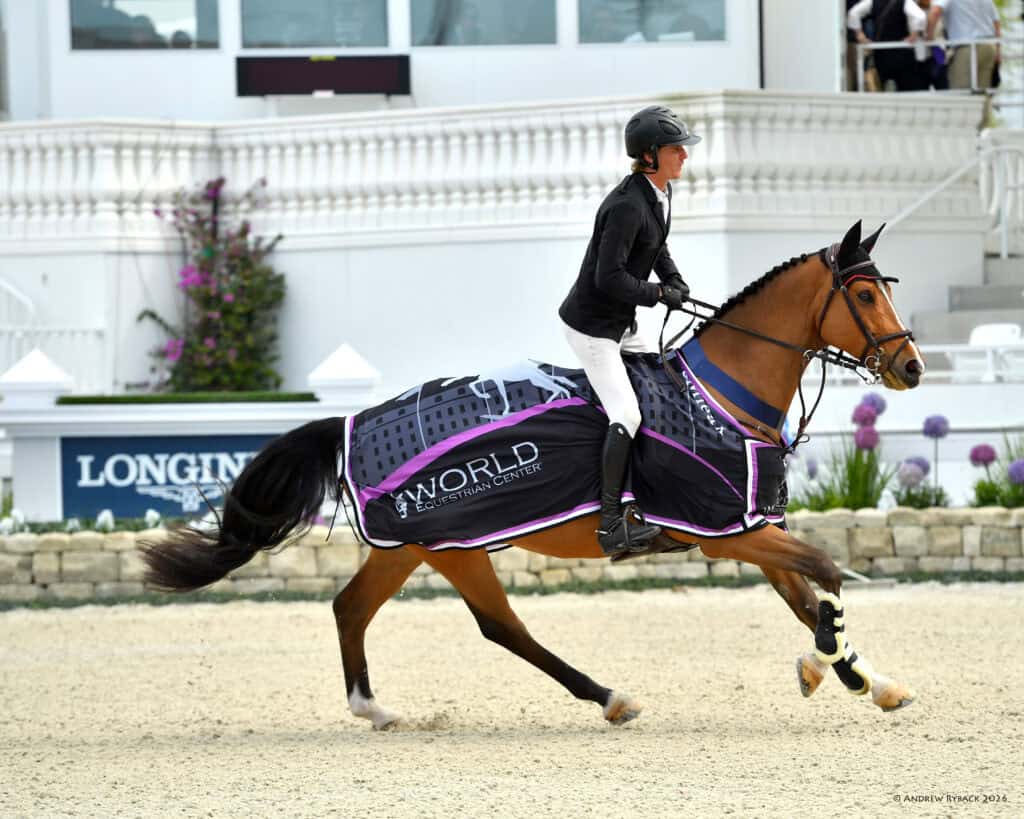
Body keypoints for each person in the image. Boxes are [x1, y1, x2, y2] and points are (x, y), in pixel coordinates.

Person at [558, 105, 700, 556]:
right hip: (594, 329)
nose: (684, 155)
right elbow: (608, 278)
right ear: (649, 155)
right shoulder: (624, 205)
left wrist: (674, 278)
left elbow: (656, 243)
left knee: (661, 392)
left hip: (623, 323)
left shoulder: (658, 193)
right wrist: (660, 295)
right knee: (629, 414)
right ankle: (608, 525)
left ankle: (648, 498)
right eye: (676, 148)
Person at [848, 0, 930, 91]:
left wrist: (859, 35)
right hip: (902, 53)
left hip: (881, 54)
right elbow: (920, 17)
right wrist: (914, 35)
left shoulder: (873, 2)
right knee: (906, 90)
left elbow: (853, 13)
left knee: (882, 89)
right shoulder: (904, 2)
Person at [926, 0, 1000, 91]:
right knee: (982, 93)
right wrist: (998, 51)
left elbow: (935, 12)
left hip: (966, 48)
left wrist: (929, 38)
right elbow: (996, 23)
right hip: (989, 47)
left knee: (961, 93)